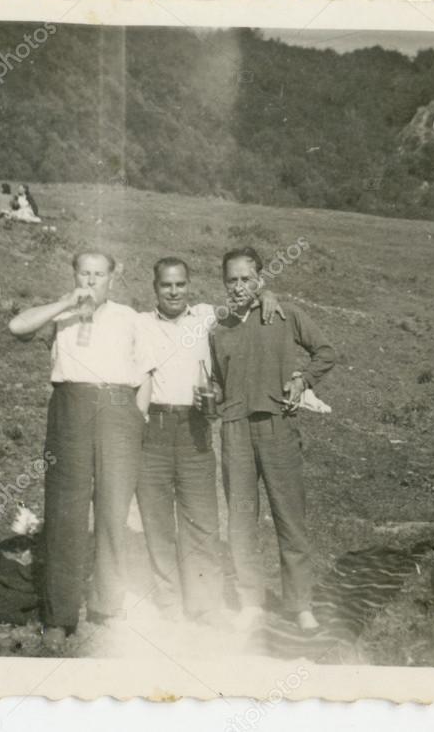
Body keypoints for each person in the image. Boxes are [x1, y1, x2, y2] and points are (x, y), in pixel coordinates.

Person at [8, 250, 151, 650]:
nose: (91, 281)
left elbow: (145, 373)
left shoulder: (129, 318)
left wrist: (137, 418)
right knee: (65, 509)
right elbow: (16, 327)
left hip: (119, 410)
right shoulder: (62, 312)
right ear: (75, 275)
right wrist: (67, 303)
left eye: (99, 274)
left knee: (112, 508)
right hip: (71, 406)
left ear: (112, 277)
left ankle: (107, 604)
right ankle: (59, 614)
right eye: (84, 273)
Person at [135, 257, 281, 627]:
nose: (173, 291)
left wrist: (269, 295)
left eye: (180, 284)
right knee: (157, 521)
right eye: (166, 285)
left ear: (189, 287)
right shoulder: (139, 324)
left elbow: (243, 301)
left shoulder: (204, 317)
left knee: (201, 519)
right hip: (153, 427)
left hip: (195, 427)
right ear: (155, 287)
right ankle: (168, 602)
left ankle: (203, 605)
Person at [209, 247, 337, 632]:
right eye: (231, 280)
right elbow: (217, 380)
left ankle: (300, 605)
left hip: (278, 427)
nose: (238, 287)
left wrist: (302, 380)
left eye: (246, 279)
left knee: (289, 516)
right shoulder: (219, 328)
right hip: (235, 430)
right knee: (241, 519)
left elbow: (325, 352)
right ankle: (250, 600)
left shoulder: (284, 313)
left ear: (260, 280)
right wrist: (211, 395)